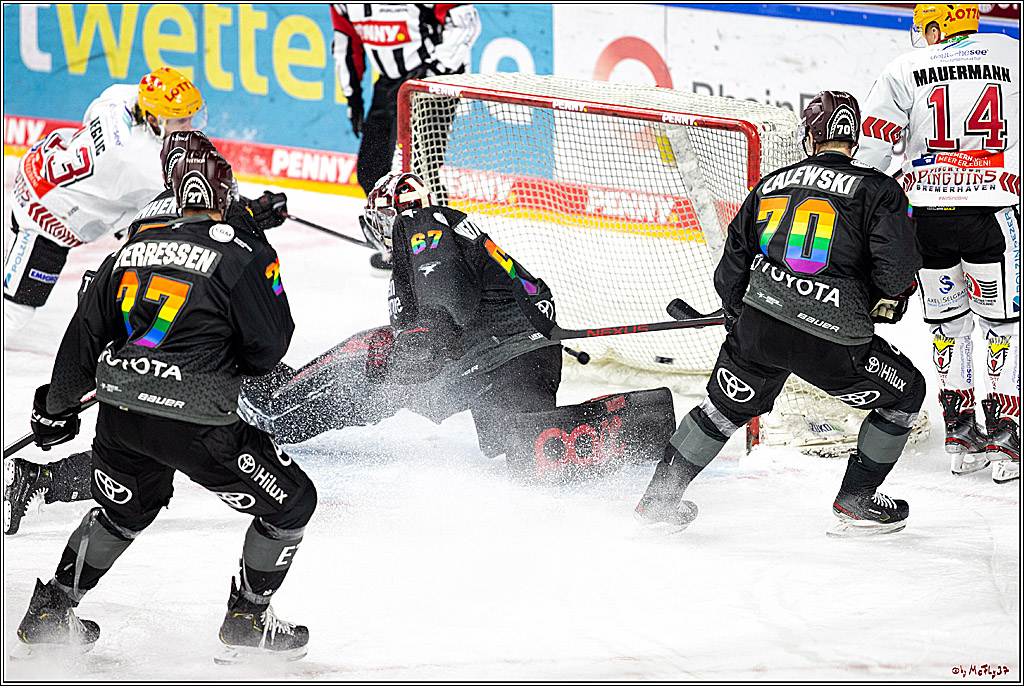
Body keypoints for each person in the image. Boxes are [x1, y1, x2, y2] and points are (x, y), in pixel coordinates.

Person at [12, 140, 317, 664]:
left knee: (122, 511)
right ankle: (247, 618)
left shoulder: (131, 246)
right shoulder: (243, 253)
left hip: (123, 417)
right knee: (292, 504)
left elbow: (85, 332)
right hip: (199, 422)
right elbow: (269, 347)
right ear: (225, 195)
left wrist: (56, 408)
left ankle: (51, 611)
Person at [634, 91, 926, 538]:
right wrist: (877, 294)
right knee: (906, 393)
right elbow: (898, 273)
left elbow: (730, 270)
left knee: (720, 412)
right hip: (833, 345)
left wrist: (739, 319)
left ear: (810, 135)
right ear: (856, 135)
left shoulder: (772, 182)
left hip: (759, 330)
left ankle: (657, 502)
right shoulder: (878, 189)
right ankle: (856, 499)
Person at [3, 132, 291, 537]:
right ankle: (45, 481)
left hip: (146, 330)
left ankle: (42, 480)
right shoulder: (193, 209)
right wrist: (253, 218)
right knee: (175, 434)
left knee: (147, 438)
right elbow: (224, 239)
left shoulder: (156, 205)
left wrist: (58, 402)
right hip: (195, 346)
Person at [853, 3, 1020, 482]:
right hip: (994, 212)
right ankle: (1006, 438)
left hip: (925, 216)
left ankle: (960, 431)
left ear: (934, 25)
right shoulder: (1015, 54)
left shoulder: (905, 67)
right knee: (1002, 326)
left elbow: (873, 148)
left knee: (948, 325)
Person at [4, 67, 205, 341]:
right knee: (16, 308)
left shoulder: (119, 97)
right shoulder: (139, 163)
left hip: (43, 162)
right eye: (181, 121)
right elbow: (196, 205)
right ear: (153, 120)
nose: (189, 128)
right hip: (45, 209)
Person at [330, 4, 481, 269]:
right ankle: (397, 242)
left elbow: (465, 22)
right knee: (371, 170)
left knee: (418, 172)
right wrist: (352, 96)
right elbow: (346, 41)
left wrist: (436, 68)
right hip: (389, 82)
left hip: (434, 82)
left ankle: (443, 249)